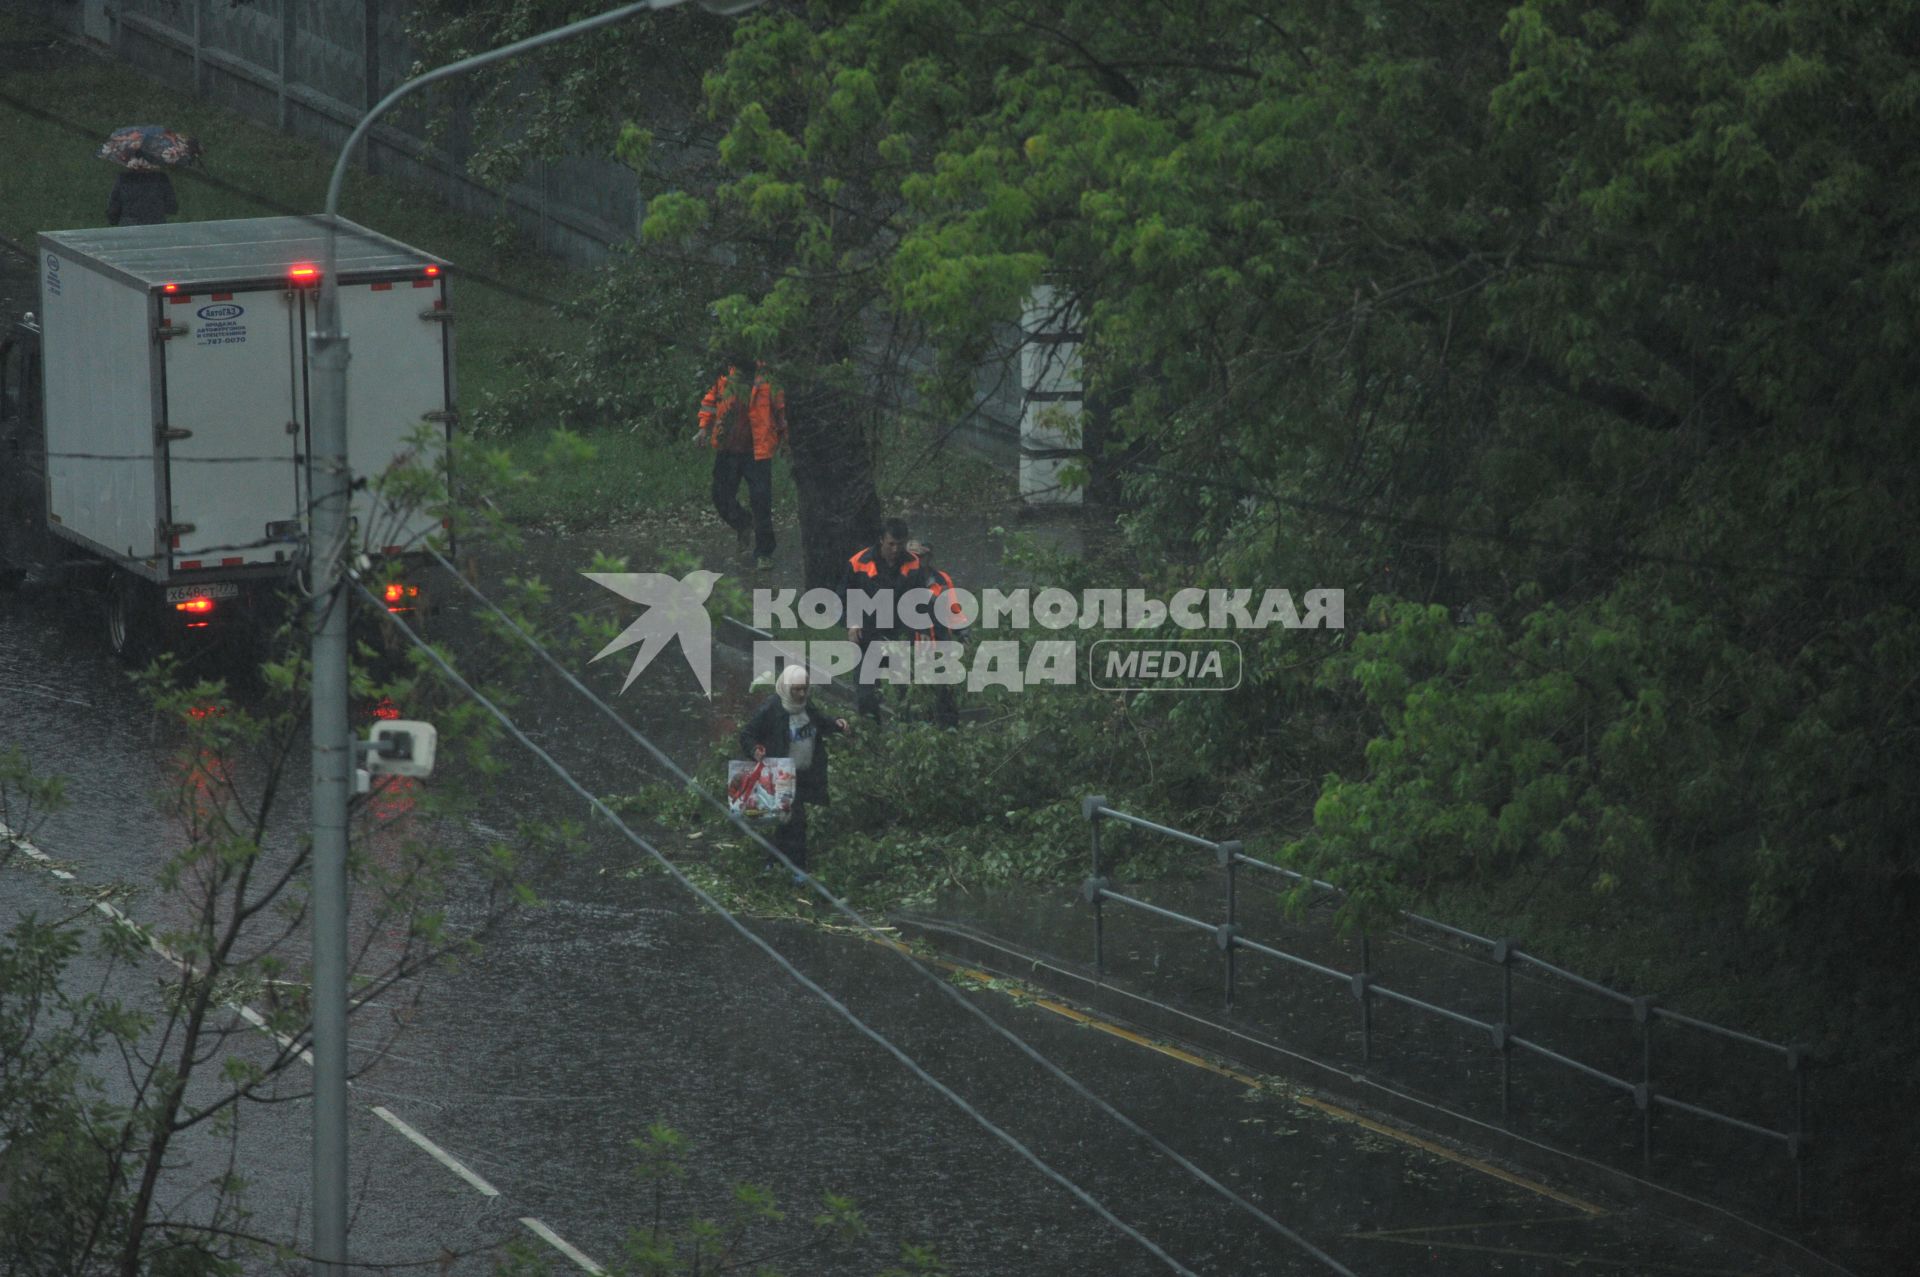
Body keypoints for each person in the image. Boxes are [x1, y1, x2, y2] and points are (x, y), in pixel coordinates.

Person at [737, 663, 849, 879]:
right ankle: (797, 868)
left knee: (786, 820)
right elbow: (747, 734)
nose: (801, 694)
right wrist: (755, 750)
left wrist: (838, 725)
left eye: (804, 689)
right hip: (782, 774)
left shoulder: (806, 706)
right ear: (786, 687)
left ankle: (773, 861)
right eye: (796, 689)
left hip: (805, 773)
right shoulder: (772, 708)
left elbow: (820, 721)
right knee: (796, 820)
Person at [694, 357, 786, 571]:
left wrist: (786, 439)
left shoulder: (768, 379)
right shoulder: (726, 375)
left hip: (757, 451)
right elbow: (711, 401)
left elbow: (781, 410)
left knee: (761, 502)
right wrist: (703, 428)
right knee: (720, 496)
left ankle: (764, 553)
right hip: (728, 448)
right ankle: (743, 523)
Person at [841, 518, 926, 723]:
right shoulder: (859, 562)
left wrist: (922, 630)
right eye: (891, 544)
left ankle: (911, 735)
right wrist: (852, 622)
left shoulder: (913, 564)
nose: (896, 549)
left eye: (900, 544)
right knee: (866, 695)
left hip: (899, 637)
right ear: (881, 540)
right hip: (868, 636)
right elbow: (843, 595)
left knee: (907, 694)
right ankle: (873, 738)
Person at [905, 537, 967, 728]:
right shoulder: (901, 580)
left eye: (920, 557)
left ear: (928, 558)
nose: (917, 561)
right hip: (913, 647)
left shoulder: (941, 580)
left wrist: (963, 633)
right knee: (916, 695)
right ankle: (919, 732)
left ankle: (950, 732)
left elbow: (954, 608)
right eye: (912, 557)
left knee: (945, 691)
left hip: (941, 643)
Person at [106, 168, 177, 227]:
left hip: (130, 223)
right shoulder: (161, 177)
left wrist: (113, 218)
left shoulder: (124, 178)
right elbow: (171, 205)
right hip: (155, 222)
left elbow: (114, 203)